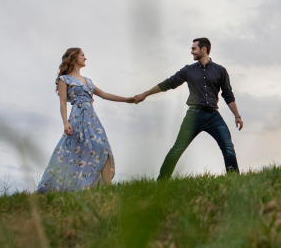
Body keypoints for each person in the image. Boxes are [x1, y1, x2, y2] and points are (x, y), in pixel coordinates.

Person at [134, 37, 242, 179]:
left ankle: (234, 179)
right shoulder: (188, 70)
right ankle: (162, 182)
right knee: (177, 148)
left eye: (193, 48)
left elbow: (228, 95)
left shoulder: (220, 71)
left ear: (204, 49)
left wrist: (237, 115)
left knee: (228, 148)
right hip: (193, 115)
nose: (191, 52)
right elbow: (169, 83)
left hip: (214, 116)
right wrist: (145, 94)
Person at [36, 48, 134, 193]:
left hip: (92, 118)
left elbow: (105, 95)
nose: (85, 58)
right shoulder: (64, 79)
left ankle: (108, 187)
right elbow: (62, 102)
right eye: (82, 55)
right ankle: (63, 185)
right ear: (73, 57)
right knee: (74, 151)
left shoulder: (88, 81)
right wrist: (65, 123)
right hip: (77, 118)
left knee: (103, 147)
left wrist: (127, 100)